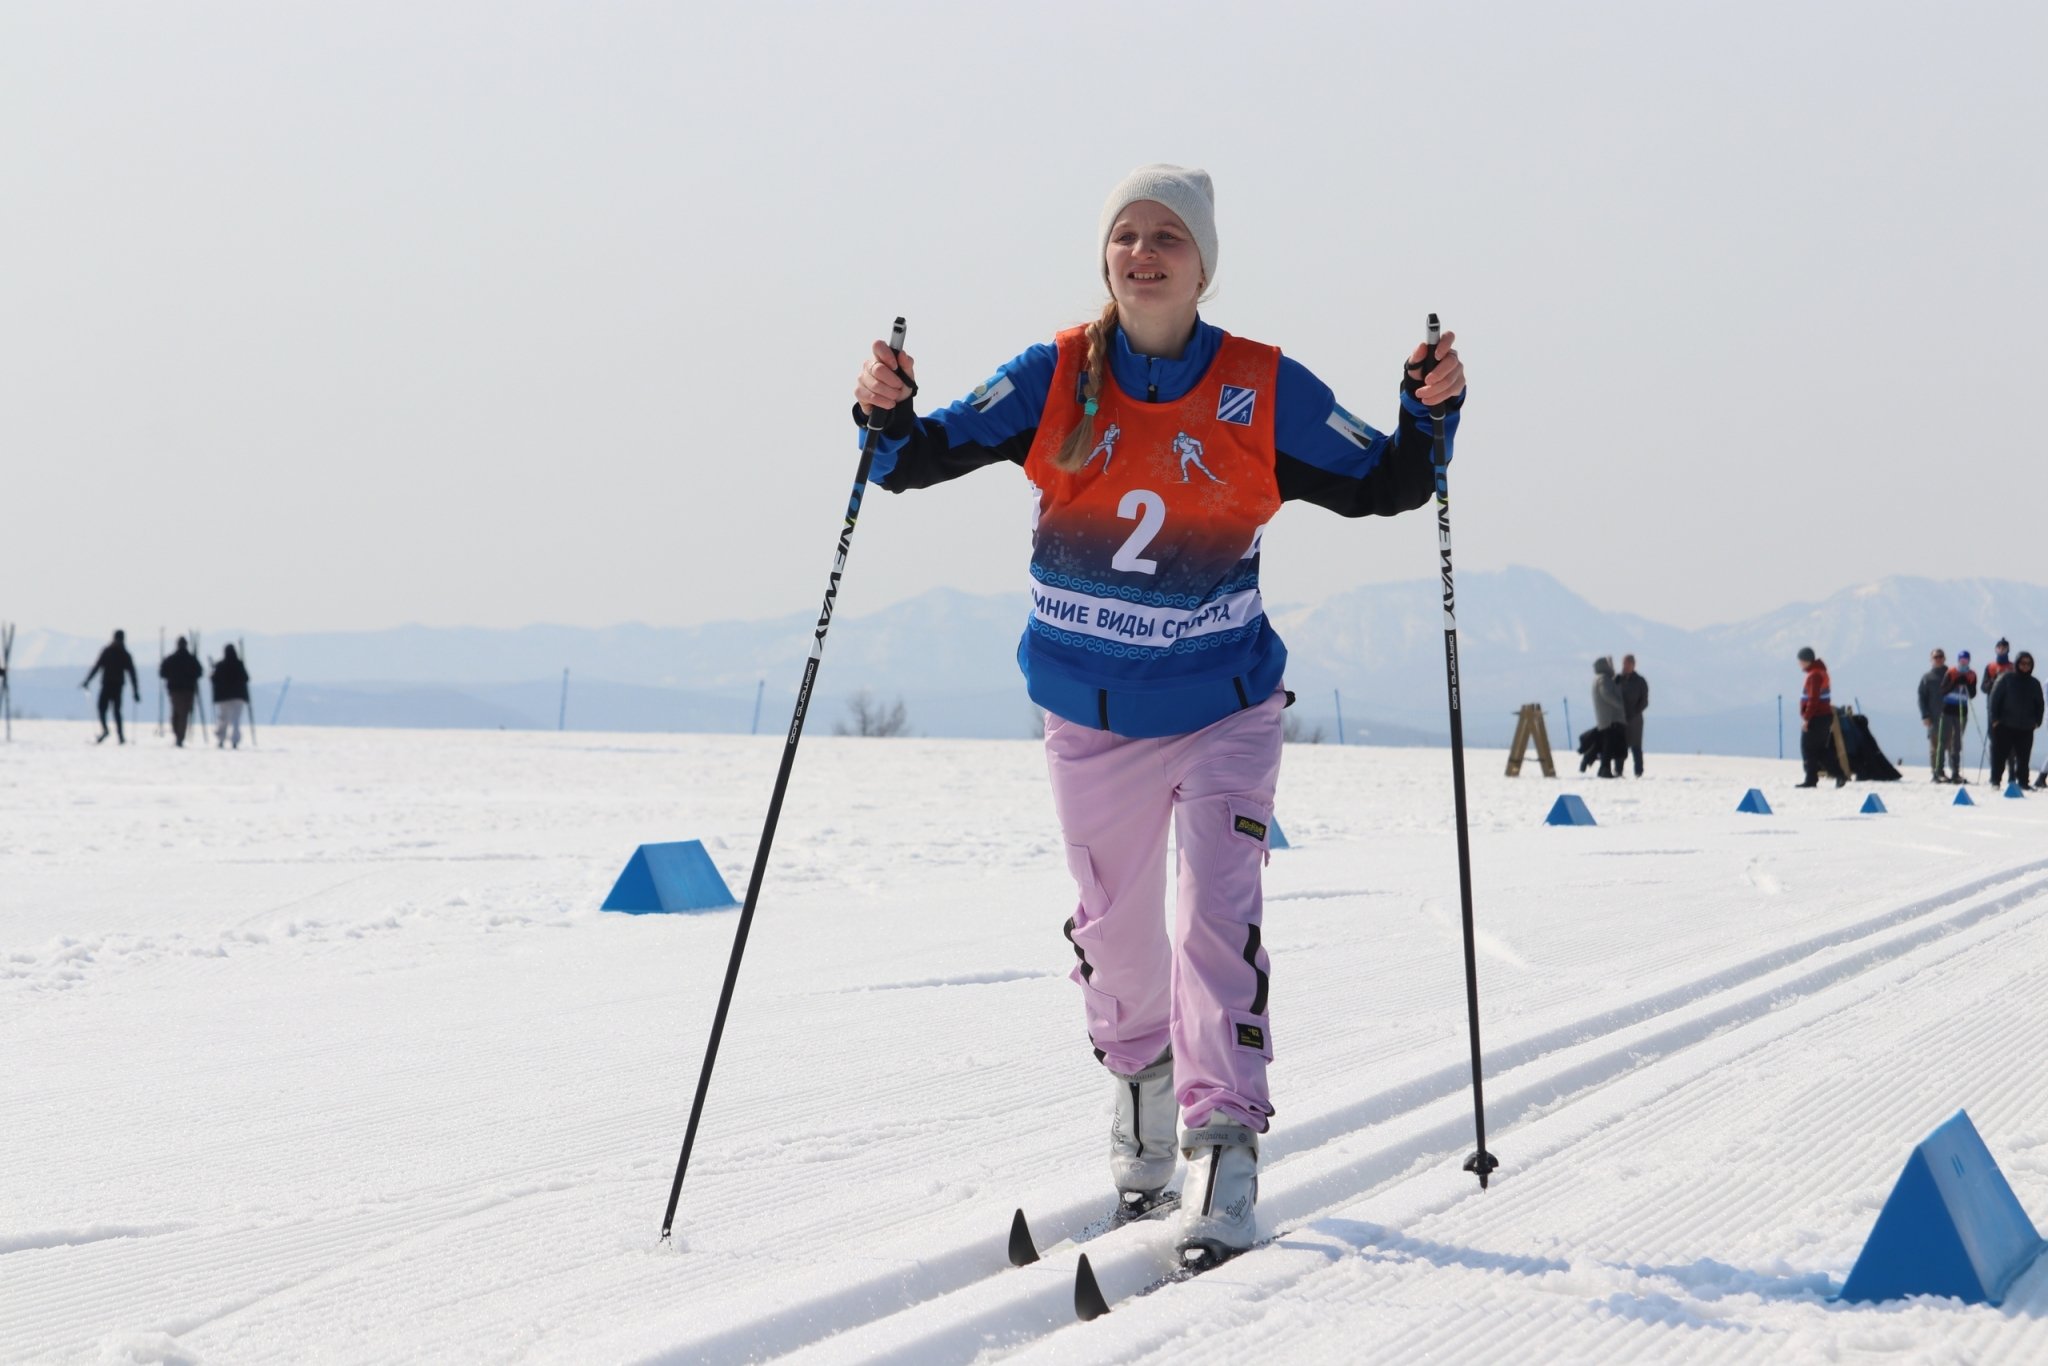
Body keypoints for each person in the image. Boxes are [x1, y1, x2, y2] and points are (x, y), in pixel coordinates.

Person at [850, 164, 1464, 1264]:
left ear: (1203, 264)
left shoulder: (1258, 388)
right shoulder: (1053, 376)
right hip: (1091, 715)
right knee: (1118, 939)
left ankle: (1224, 1146)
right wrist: (882, 411)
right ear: (1104, 257)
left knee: (1212, 925)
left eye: (1168, 236)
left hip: (1224, 706)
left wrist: (1430, 412)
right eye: (1126, 235)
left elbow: (1386, 481)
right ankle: (1139, 1081)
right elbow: (915, 458)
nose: (1143, 253)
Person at [1986, 650, 2040, 793]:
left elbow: (2039, 704)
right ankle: (1995, 781)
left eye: (2028, 664)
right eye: (2022, 663)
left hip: (2026, 727)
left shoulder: (2034, 683)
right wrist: (1995, 719)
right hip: (2005, 725)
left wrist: (2037, 721)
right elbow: (1994, 699)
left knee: (2024, 758)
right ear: (2017, 663)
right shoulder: (2006, 679)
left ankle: (2023, 782)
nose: (2025, 666)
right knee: (2000, 756)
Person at [1795, 646, 1846, 788]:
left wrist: (1807, 718)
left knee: (1808, 748)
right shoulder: (1820, 672)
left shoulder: (1814, 675)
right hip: (1823, 717)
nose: (1799, 663)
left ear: (1806, 660)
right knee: (1820, 750)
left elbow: (1813, 699)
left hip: (1816, 717)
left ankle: (1811, 779)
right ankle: (1839, 774)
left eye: (1800, 660)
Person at [81, 629, 143, 744]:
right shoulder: (120, 653)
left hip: (113, 685)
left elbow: (132, 674)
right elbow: (97, 667)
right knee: (107, 709)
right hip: (111, 685)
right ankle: (112, 733)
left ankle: (118, 735)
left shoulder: (115, 653)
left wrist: (135, 691)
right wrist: (87, 681)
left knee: (112, 710)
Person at [1939, 650, 1978, 783]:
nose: (1963, 663)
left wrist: (1967, 684)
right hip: (1948, 709)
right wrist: (1954, 683)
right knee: (1944, 740)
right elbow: (1943, 690)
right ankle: (1939, 770)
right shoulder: (1951, 672)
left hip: (1961, 711)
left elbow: (1972, 694)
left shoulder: (1972, 674)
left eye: (1966, 660)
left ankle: (1955, 771)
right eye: (1961, 660)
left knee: (1957, 742)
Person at [159, 636, 204, 747]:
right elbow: (199, 672)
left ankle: (179, 735)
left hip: (175, 690)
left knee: (177, 713)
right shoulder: (191, 659)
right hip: (187, 690)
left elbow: (162, 673)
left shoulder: (172, 659)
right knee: (183, 713)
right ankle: (179, 736)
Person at [1918, 647, 1952, 782]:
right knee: (1935, 746)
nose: (1938, 659)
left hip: (1951, 716)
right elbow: (1921, 698)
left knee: (1951, 745)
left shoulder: (1951, 675)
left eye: (1940, 656)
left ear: (1944, 658)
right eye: (1935, 657)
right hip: (1933, 717)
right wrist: (1925, 715)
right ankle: (1936, 772)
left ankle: (1953, 772)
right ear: (1931, 659)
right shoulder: (1927, 678)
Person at [1590, 657, 1626, 778]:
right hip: (1609, 719)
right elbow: (1606, 694)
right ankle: (1605, 769)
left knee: (1607, 745)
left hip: (1604, 718)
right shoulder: (1604, 679)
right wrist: (1619, 703)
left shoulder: (1600, 678)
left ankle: (1604, 768)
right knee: (1608, 746)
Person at [1615, 654, 1649, 777]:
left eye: (1627, 664)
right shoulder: (1618, 679)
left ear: (1633, 665)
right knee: (1620, 746)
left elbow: (1644, 701)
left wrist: (1634, 712)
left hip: (1635, 720)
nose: (1625, 666)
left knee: (1636, 747)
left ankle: (1638, 772)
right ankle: (1618, 771)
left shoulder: (1640, 681)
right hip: (1620, 718)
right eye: (1624, 663)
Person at [211, 644, 251, 749]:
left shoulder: (220, 665)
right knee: (236, 719)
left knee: (223, 718)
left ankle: (221, 739)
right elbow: (246, 678)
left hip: (224, 697)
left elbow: (214, 679)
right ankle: (235, 740)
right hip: (238, 697)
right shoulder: (239, 664)